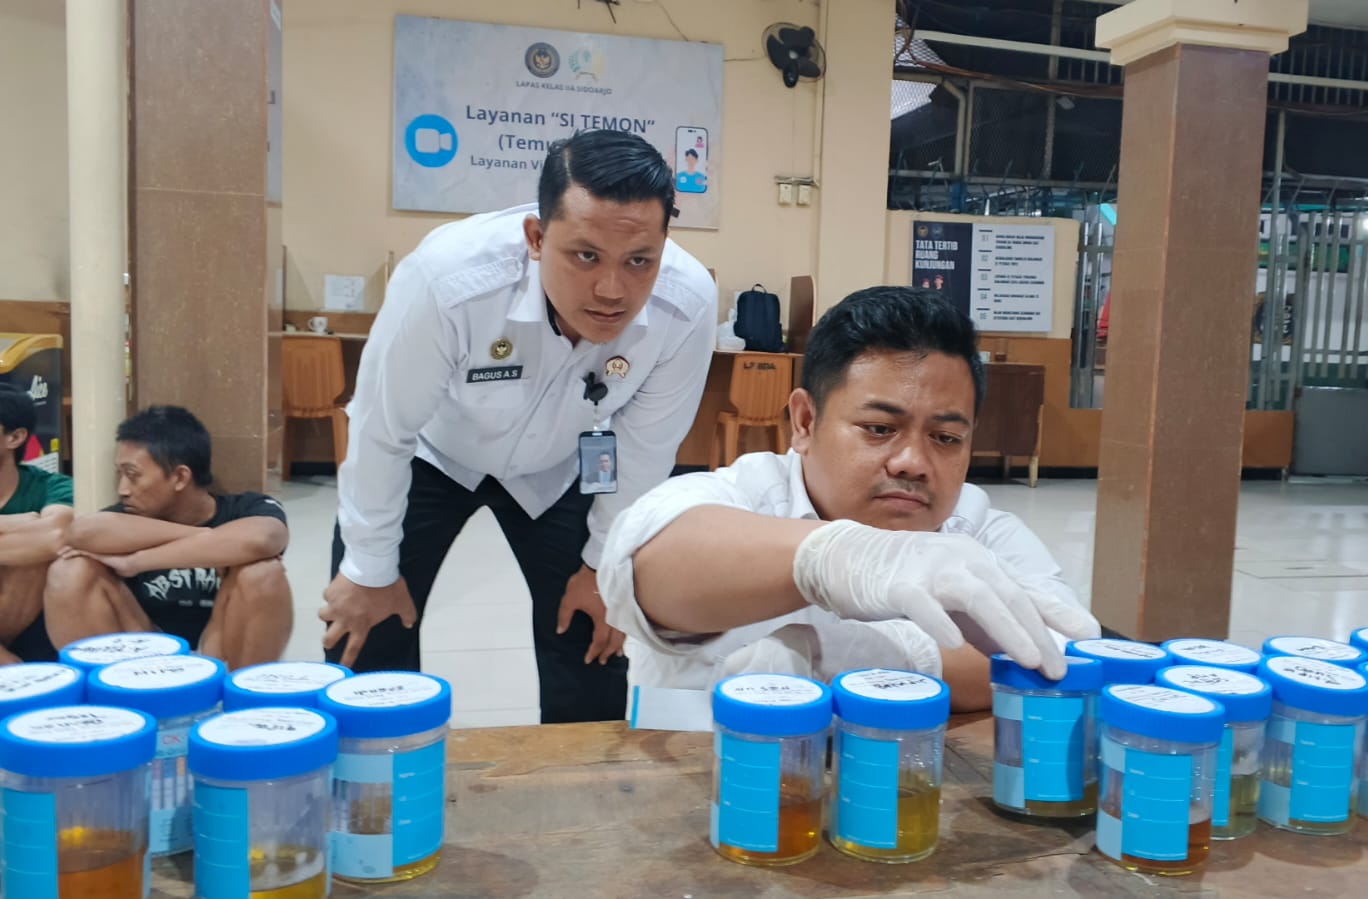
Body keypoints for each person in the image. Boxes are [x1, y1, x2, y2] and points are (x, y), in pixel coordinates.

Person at [323, 129, 715, 723]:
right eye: (585, 256)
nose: (612, 290)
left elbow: (644, 448)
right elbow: (383, 429)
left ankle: (582, 781)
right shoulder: (449, 281)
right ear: (536, 237)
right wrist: (369, 569)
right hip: (433, 453)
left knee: (592, 635)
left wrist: (600, 568)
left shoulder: (685, 305)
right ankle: (379, 777)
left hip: (563, 464)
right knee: (367, 631)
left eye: (640, 261)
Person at [598, 286, 1100, 711]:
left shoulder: (978, 530)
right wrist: (830, 558)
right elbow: (643, 568)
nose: (913, 462)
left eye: (946, 438)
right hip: (702, 775)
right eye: (879, 429)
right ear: (804, 422)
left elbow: (1062, 652)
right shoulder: (745, 496)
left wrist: (868, 655)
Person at [44, 406, 292, 669]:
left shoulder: (245, 508)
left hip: (221, 649)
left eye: (133, 475)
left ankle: (242, 690)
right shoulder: (128, 518)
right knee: (68, 571)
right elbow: (81, 532)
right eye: (121, 475)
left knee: (263, 572)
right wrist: (212, 539)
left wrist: (135, 562)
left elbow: (264, 538)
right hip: (147, 650)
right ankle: (113, 690)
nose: (123, 489)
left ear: (180, 477)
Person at [0, 384, 72, 663]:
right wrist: (21, 523)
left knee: (34, 558)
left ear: (15, 437)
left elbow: (56, 536)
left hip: (31, 626)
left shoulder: (51, 486)